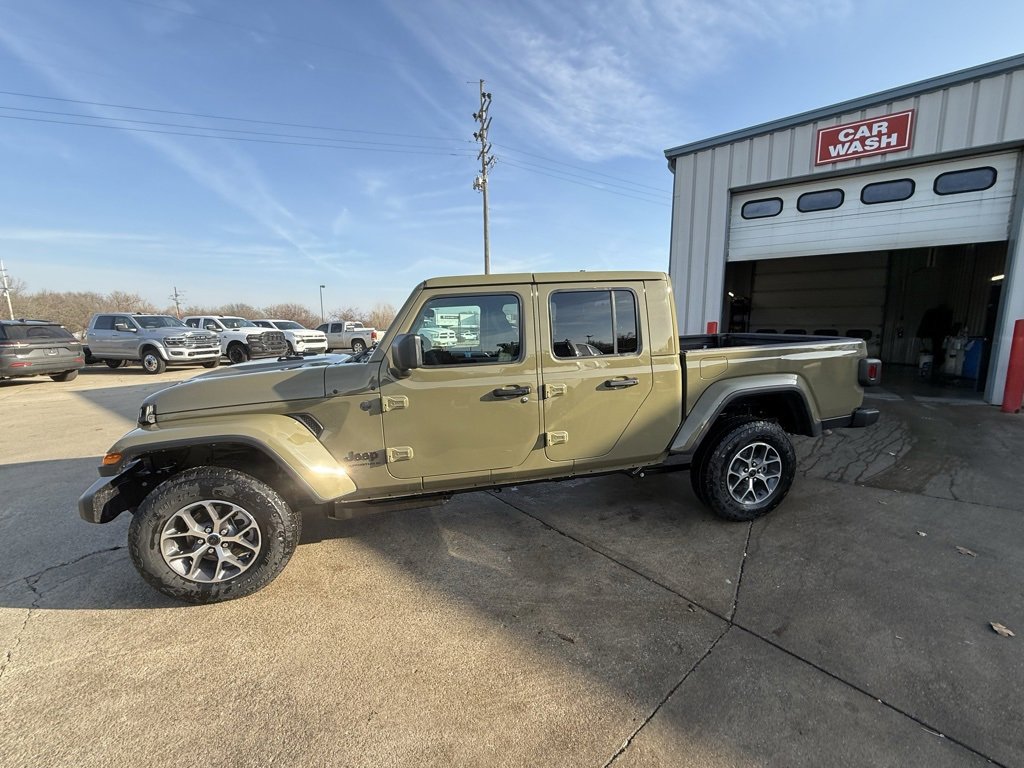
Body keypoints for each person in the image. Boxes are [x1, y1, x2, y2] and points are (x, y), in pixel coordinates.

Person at [917, 303, 954, 384]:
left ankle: (934, 369)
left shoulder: (933, 314)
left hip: (934, 335)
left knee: (936, 350)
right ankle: (935, 369)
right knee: (937, 351)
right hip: (937, 335)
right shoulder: (942, 316)